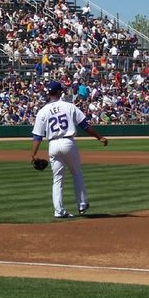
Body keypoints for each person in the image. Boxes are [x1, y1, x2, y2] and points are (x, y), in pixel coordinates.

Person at [31, 81, 108, 218]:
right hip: (68, 142)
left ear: (48, 93)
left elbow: (37, 136)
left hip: (52, 145)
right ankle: (82, 204)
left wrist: (33, 154)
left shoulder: (42, 111)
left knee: (57, 179)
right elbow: (84, 125)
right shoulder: (68, 106)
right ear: (60, 92)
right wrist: (99, 137)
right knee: (76, 173)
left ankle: (59, 211)